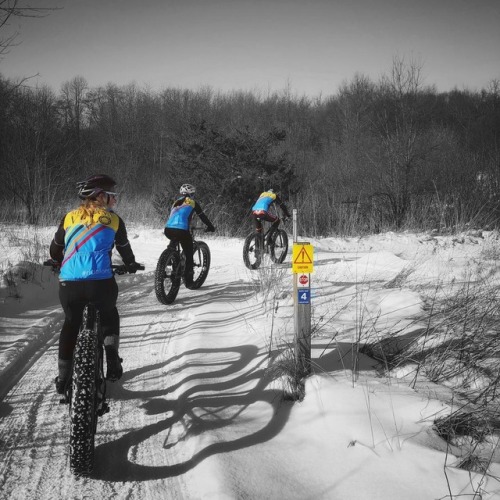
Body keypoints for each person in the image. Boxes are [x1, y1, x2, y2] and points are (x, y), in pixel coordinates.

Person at [49, 174, 142, 394]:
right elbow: (125, 249)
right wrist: (130, 264)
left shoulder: (69, 218)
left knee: (71, 324)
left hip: (69, 284)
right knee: (109, 314)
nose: (115, 200)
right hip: (101, 284)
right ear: (101, 196)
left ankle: (63, 378)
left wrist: (56, 261)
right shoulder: (115, 220)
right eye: (113, 196)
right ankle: (112, 360)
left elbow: (55, 249)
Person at [164, 183, 215, 287]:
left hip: (168, 229)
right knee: (189, 253)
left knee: (172, 248)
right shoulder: (192, 203)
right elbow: (203, 217)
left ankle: (167, 268)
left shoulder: (175, 202)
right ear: (191, 194)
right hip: (182, 230)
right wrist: (211, 227)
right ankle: (189, 280)